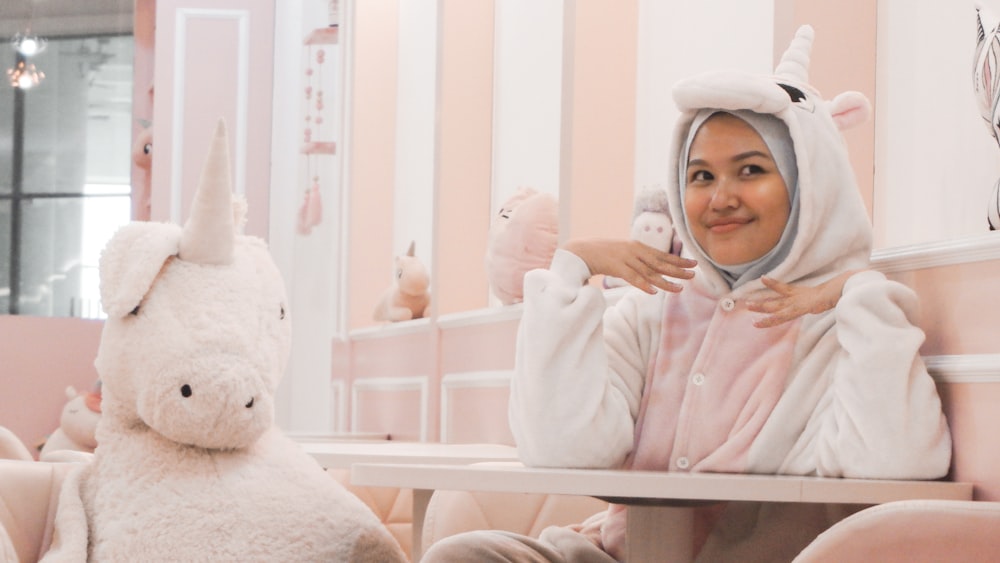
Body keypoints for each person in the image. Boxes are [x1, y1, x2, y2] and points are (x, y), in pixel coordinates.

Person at [423, 25, 952, 562]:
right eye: (700, 176)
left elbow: (895, 466)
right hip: (623, 553)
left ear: (809, 184)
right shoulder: (653, 306)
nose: (720, 198)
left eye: (751, 170)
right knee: (463, 555)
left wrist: (859, 290)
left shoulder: (848, 323)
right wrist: (570, 270)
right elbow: (559, 447)